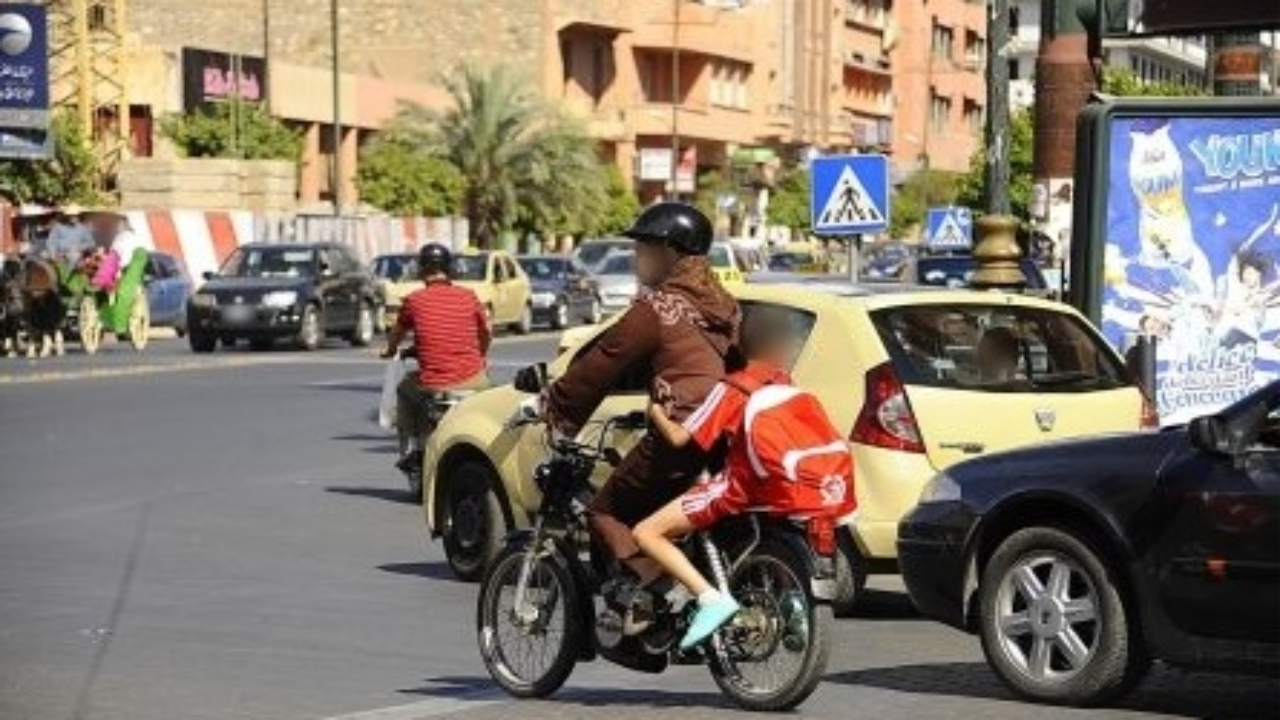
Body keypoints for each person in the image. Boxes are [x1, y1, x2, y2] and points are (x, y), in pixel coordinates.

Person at [536, 202, 741, 588]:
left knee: (604, 513)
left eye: (642, 250)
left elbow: (602, 363)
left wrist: (554, 403)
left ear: (667, 253)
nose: (636, 260)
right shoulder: (722, 304)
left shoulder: (657, 310)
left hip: (678, 436)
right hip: (723, 430)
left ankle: (656, 588)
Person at [633, 307, 855, 649]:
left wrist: (657, 413)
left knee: (647, 532)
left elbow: (682, 438)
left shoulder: (734, 387)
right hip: (785, 488)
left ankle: (710, 598)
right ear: (783, 349)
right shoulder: (786, 384)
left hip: (742, 488)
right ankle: (789, 604)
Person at [380, 243, 491, 474]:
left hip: (434, 384)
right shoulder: (469, 297)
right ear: (449, 269)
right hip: (474, 380)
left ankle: (414, 451)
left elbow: (397, 333)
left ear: (422, 270)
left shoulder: (414, 300)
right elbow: (486, 332)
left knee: (404, 389)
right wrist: (481, 355)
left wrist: (390, 351)